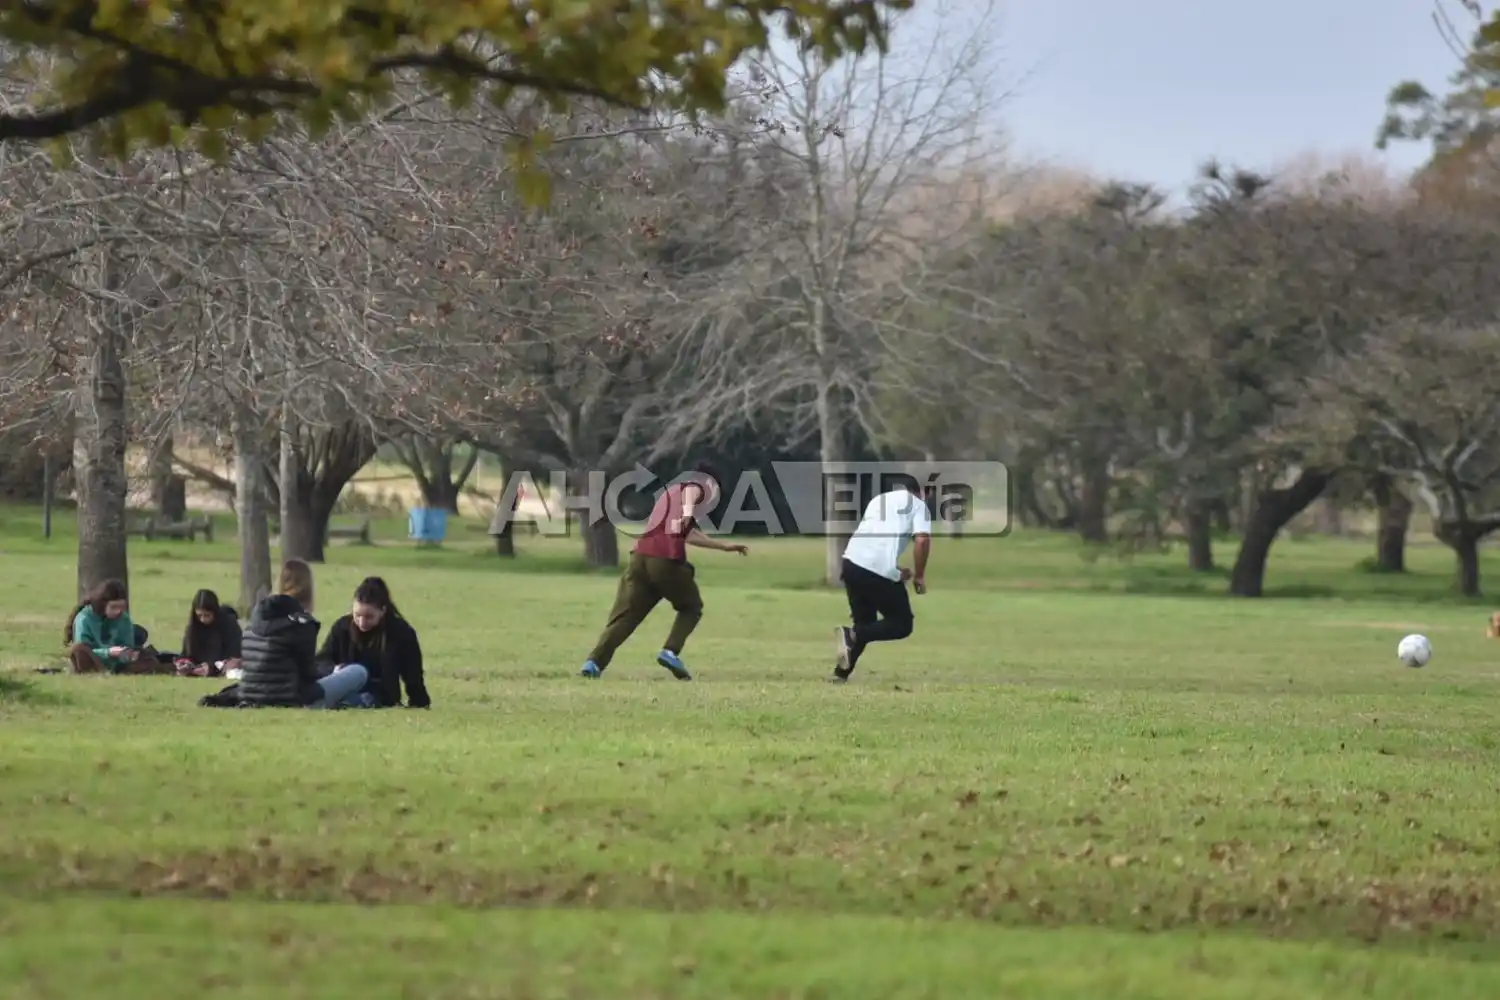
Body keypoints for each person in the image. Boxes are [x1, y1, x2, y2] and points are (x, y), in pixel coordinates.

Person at [580, 461, 748, 680]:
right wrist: (688, 512)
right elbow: (692, 493)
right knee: (691, 607)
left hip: (640, 558)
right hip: (664, 561)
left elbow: (688, 534)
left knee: (628, 615)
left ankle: (594, 662)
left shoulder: (670, 493)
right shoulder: (695, 487)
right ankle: (670, 651)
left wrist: (724, 546)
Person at [833, 473, 932, 683]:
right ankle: (852, 635)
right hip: (875, 570)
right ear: (922, 491)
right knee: (902, 624)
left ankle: (841, 675)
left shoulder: (879, 500)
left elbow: (875, 541)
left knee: (866, 623)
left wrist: (894, 568)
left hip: (851, 563)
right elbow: (922, 540)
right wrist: (919, 576)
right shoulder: (918, 505)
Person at [236, 560, 368, 709]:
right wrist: (331, 671)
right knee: (358, 672)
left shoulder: (254, 619)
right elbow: (308, 675)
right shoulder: (301, 624)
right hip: (292, 699)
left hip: (251, 695)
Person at [316, 577, 430, 709]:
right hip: (344, 685)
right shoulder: (343, 627)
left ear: (383, 611)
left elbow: (413, 674)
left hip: (377, 694)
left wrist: (419, 702)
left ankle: (324, 701)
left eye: (369, 617)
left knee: (359, 687)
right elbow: (321, 661)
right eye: (357, 615)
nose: (362, 622)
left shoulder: (400, 632)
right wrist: (335, 669)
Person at [65, 579, 169, 674]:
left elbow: (128, 645)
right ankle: (96, 671)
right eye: (114, 607)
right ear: (102, 604)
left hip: (118, 663)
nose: (118, 611)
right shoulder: (84, 619)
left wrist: (128, 654)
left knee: (148, 658)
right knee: (78, 649)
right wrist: (108, 652)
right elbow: (84, 648)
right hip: (95, 659)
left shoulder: (124, 619)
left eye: (121, 607)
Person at [175, 589, 242, 677]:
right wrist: (185, 664)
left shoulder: (228, 625)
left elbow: (235, 656)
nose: (203, 620)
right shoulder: (193, 628)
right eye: (199, 616)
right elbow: (186, 654)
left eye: (207, 615)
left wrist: (212, 668)